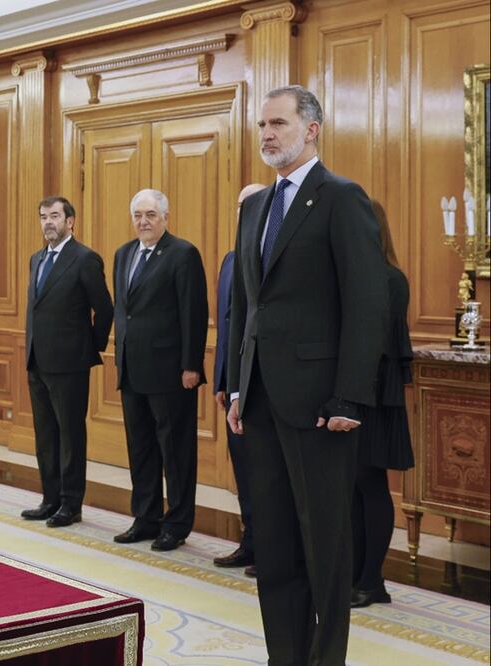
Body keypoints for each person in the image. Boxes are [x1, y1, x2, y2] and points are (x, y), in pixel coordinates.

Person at [227, 85, 388, 664]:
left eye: (278, 123)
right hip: (263, 401)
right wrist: (239, 386)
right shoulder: (254, 207)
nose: (267, 134)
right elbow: (248, 306)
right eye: (262, 125)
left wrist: (350, 396)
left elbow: (367, 305)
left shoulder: (342, 198)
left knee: (325, 547)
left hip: (323, 406)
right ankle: (286, 656)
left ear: (312, 128)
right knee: (273, 546)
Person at [111, 189, 207, 552]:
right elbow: (125, 311)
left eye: (150, 214)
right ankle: (146, 517)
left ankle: (177, 523)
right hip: (132, 369)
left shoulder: (182, 254)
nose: (143, 221)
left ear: (165, 217)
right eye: (138, 214)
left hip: (170, 371)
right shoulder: (123, 254)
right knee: (141, 448)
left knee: (176, 451)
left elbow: (193, 313)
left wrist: (191, 366)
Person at [21, 196, 113, 528]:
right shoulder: (36, 259)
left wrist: (89, 348)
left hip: (70, 363)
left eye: (55, 216)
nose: (48, 222)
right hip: (37, 360)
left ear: (70, 221)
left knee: (70, 435)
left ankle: (71, 504)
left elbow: (104, 310)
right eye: (44, 216)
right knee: (45, 434)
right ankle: (50, 498)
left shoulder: (85, 259)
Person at [350, 200, 414, 608]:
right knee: (353, 488)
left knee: (371, 485)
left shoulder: (390, 278)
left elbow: (377, 344)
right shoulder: (359, 274)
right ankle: (357, 574)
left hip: (374, 395)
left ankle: (372, 580)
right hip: (355, 393)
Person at [212, 183, 266, 576]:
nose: (244, 211)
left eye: (252, 205)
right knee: (244, 473)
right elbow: (226, 325)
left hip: (263, 385)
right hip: (234, 386)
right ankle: (250, 542)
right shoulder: (231, 258)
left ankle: (272, 548)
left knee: (267, 476)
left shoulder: (270, 256)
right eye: (239, 205)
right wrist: (222, 380)